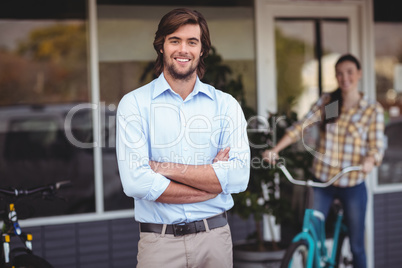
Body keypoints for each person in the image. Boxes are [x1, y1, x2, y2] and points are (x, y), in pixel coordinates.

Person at [116, 8, 250, 268]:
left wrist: (162, 168)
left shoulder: (226, 105)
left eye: (192, 41)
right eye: (174, 40)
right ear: (161, 47)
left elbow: (238, 177)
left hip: (215, 240)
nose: (183, 49)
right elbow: (136, 183)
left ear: (202, 50)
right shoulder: (134, 104)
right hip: (159, 243)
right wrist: (211, 184)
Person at [262, 54, 384, 268]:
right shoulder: (332, 104)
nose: (344, 77)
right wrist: (276, 149)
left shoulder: (371, 110)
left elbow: (376, 144)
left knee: (356, 246)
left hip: (352, 183)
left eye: (349, 72)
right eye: (339, 73)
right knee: (311, 231)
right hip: (323, 182)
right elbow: (302, 126)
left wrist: (370, 159)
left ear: (359, 74)